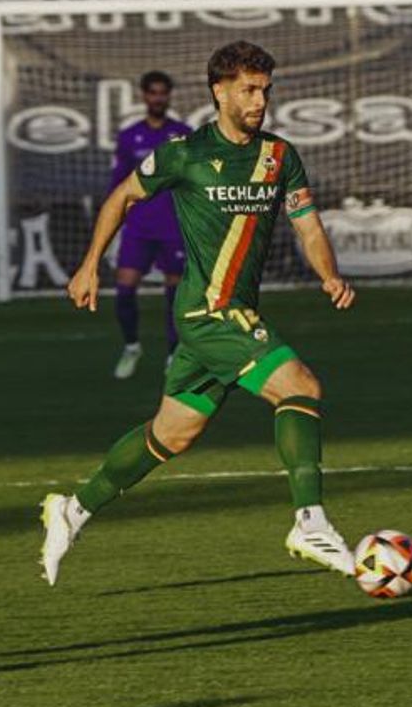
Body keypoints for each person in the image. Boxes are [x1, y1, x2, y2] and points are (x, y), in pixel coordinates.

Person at [40, 40, 356, 584]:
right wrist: (90, 264)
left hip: (226, 315)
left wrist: (327, 273)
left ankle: (74, 507)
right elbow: (121, 197)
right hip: (209, 314)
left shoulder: (280, 157)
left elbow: (308, 225)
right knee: (300, 386)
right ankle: (310, 521)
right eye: (248, 90)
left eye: (265, 90)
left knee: (172, 434)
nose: (260, 101)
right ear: (220, 91)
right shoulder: (183, 155)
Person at [108, 71, 191, 379]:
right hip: (139, 226)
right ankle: (131, 346)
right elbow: (118, 186)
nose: (158, 98)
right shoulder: (129, 137)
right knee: (124, 288)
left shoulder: (183, 134)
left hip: (174, 226)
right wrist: (114, 223)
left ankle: (173, 354)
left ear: (169, 96)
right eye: (153, 93)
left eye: (163, 93)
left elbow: (195, 180)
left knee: (175, 293)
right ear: (144, 96)